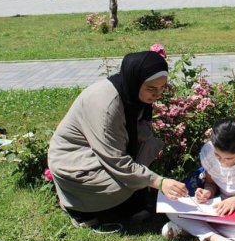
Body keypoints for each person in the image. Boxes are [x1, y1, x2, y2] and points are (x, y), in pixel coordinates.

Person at [48, 51, 188, 230]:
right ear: (135, 80)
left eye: (162, 88)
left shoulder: (130, 92)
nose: (158, 94)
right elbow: (116, 160)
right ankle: (79, 209)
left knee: (146, 151)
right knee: (119, 186)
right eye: (152, 89)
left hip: (100, 154)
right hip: (74, 163)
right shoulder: (106, 105)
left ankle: (124, 204)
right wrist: (160, 182)